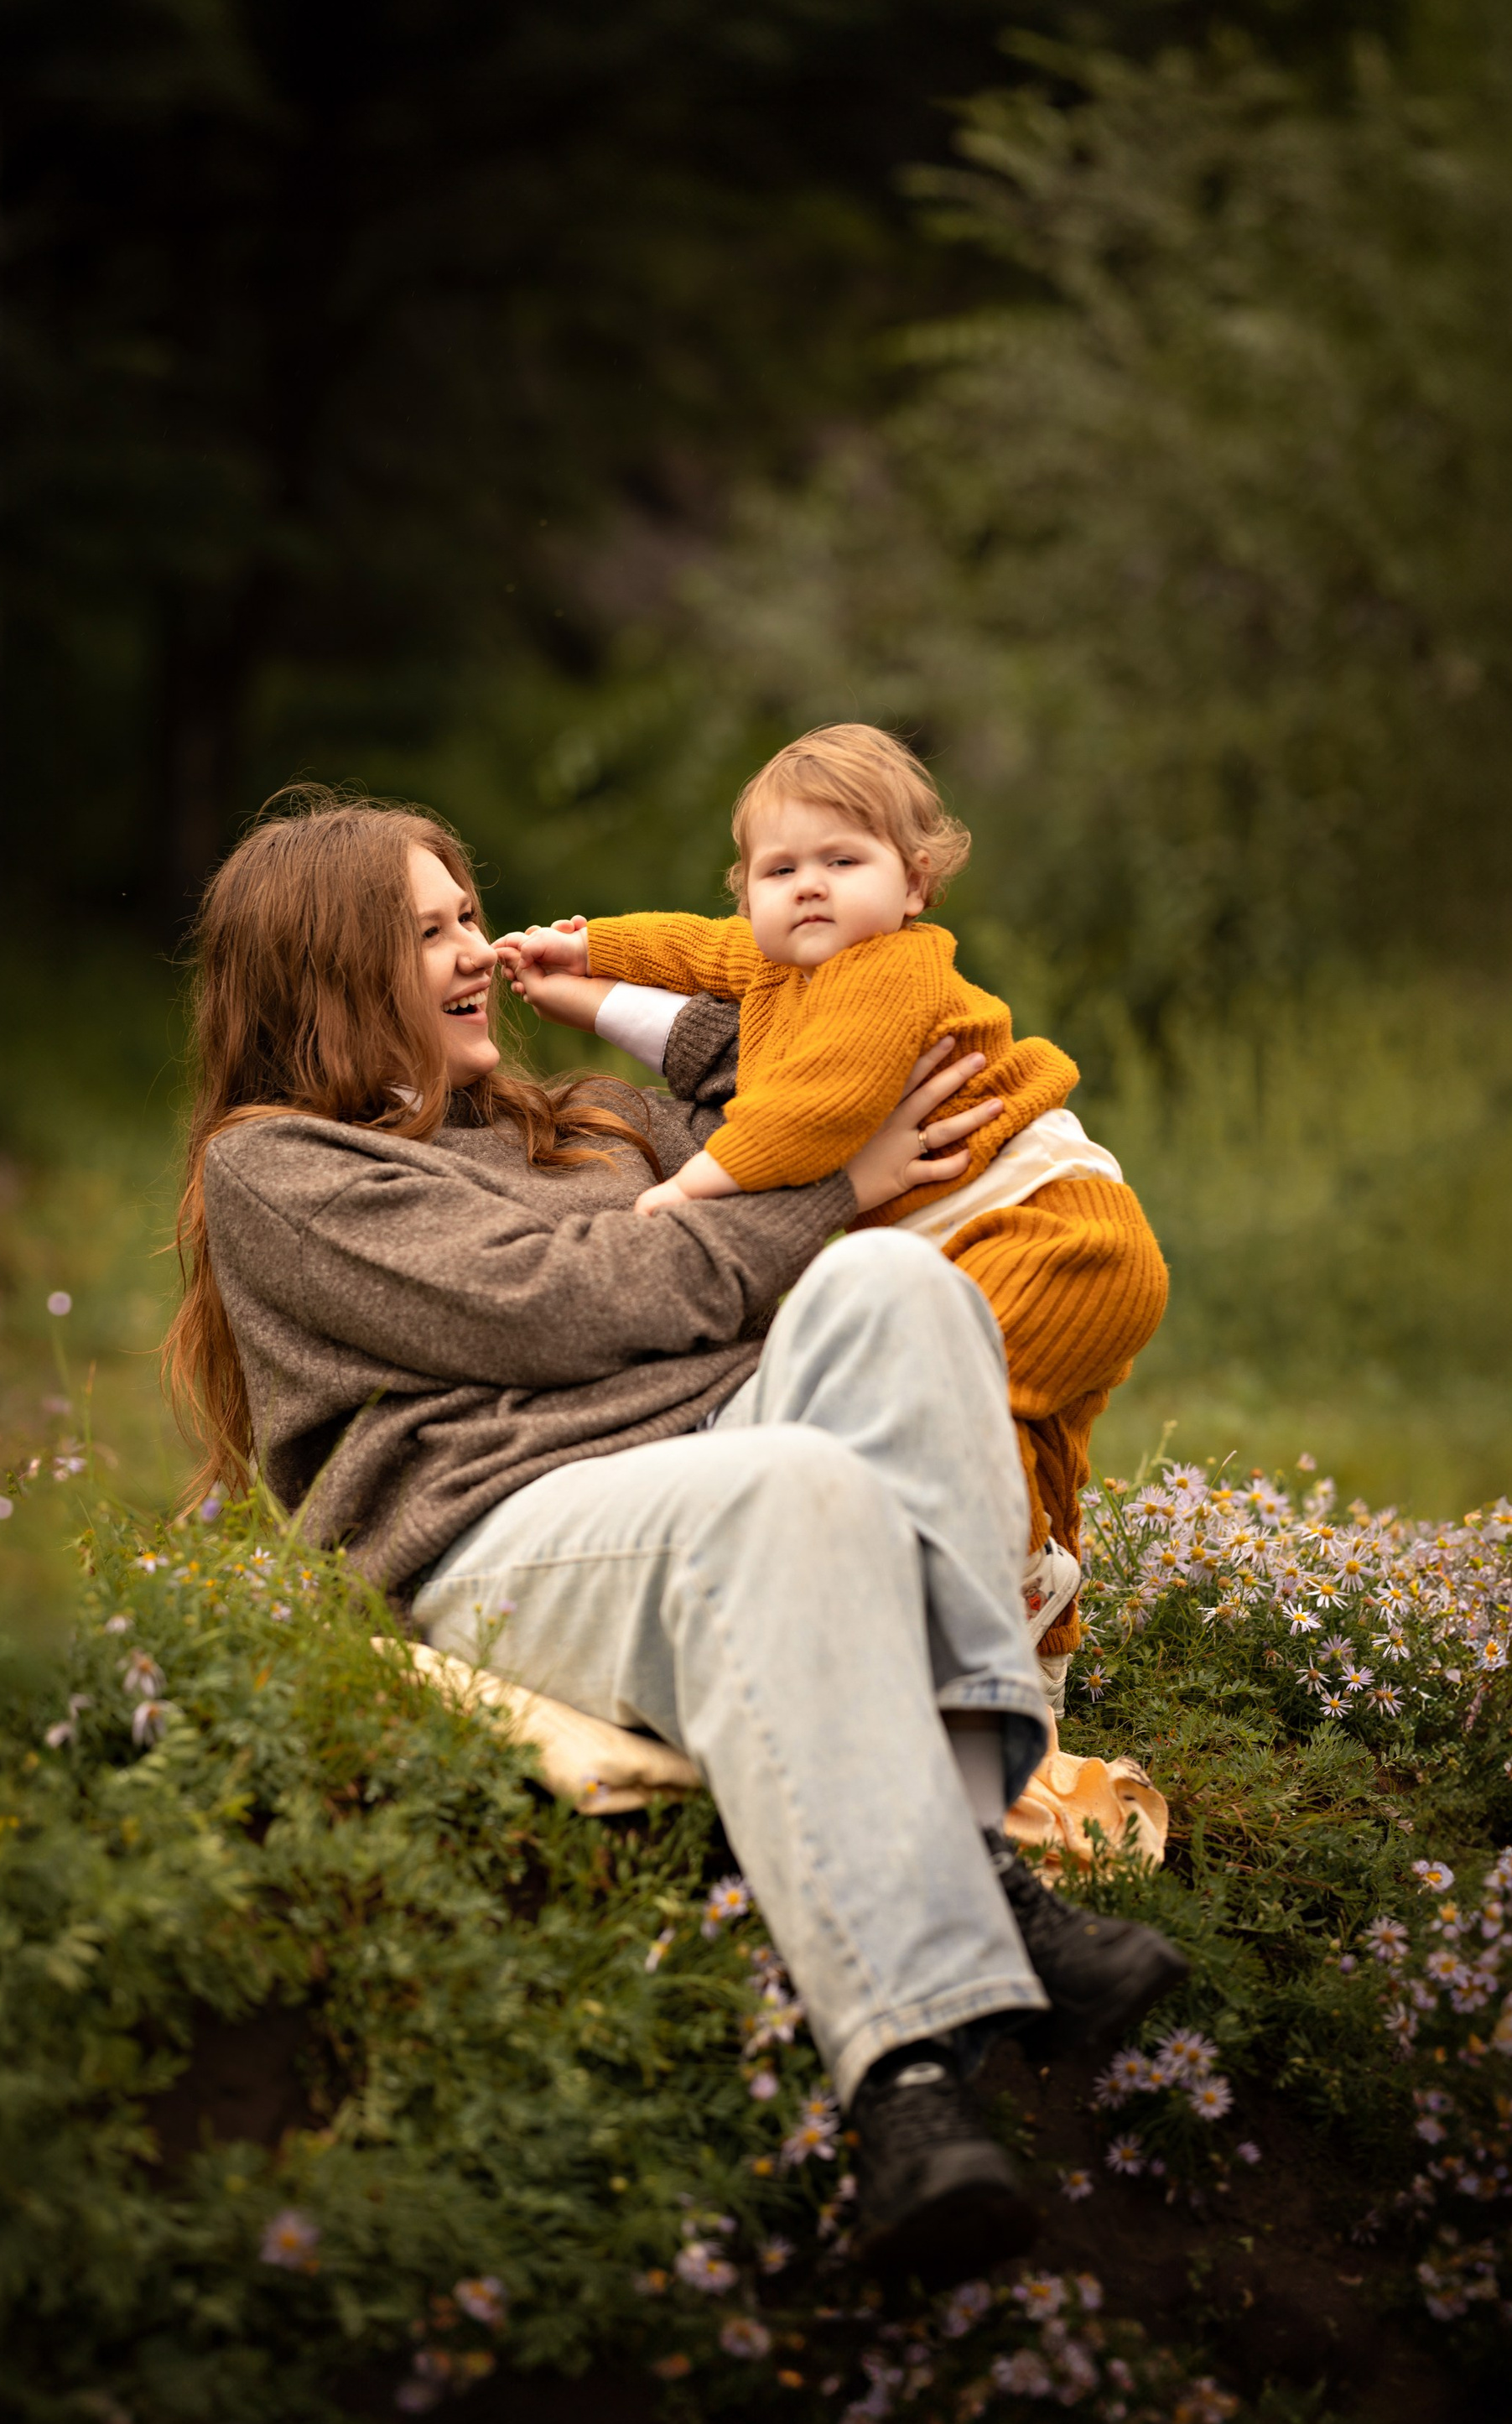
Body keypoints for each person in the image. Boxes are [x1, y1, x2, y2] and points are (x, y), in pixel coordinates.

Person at [165, 793, 1186, 2288]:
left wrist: (624, 1001)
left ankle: (977, 1839)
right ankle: (907, 2077)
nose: (468, 947)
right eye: (426, 929)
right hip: (510, 1533)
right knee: (791, 1453)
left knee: (906, 1290)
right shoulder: (285, 1170)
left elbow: (795, 1070)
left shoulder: (587, 1115)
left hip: (721, 1459)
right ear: (323, 975)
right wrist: (836, 1191)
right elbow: (561, 1299)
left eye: (470, 915)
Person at [494, 723, 1169, 1706]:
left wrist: (689, 1187)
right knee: (1029, 1442)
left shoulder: (886, 971)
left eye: (841, 859)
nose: (807, 884)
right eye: (779, 868)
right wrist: (586, 949)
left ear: (915, 883)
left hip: (1050, 1232)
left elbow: (815, 1115)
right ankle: (1040, 1663)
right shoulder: (783, 965)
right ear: (751, 890)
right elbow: (690, 948)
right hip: (1010, 1238)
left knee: (959, 1418)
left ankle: (990, 1608)